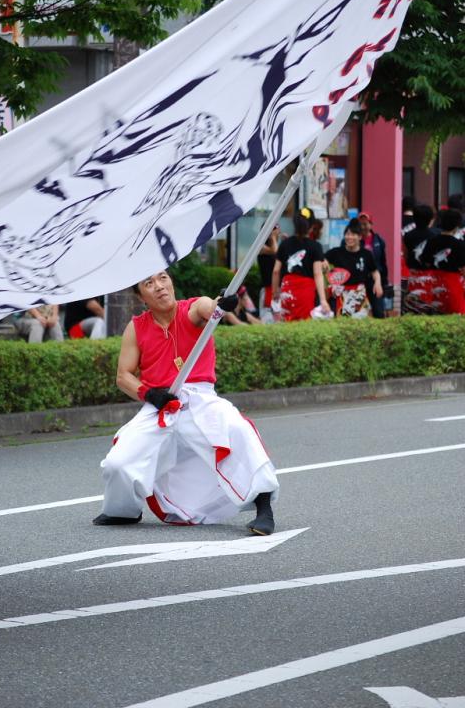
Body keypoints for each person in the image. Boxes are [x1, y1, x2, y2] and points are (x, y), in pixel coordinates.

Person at [93, 270, 279, 535]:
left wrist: (222, 304)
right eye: (149, 283)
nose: (159, 286)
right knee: (118, 462)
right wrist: (150, 394)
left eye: (163, 278)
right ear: (140, 296)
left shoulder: (191, 309)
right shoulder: (136, 328)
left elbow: (208, 307)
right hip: (159, 404)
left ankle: (264, 507)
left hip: (200, 398)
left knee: (237, 429)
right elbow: (123, 376)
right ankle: (123, 510)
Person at [271, 210, 330, 321]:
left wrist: (275, 292)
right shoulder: (316, 246)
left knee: (287, 321)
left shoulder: (285, 244)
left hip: (287, 288)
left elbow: (276, 271)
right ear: (312, 226)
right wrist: (323, 300)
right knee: (304, 323)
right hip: (306, 290)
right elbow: (317, 274)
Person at [325, 218, 383, 318]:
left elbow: (375, 271)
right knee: (342, 323)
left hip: (359, 294)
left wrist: (378, 283)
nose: (349, 237)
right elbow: (322, 261)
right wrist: (330, 281)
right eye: (347, 234)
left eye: (353, 234)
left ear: (360, 237)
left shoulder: (366, 254)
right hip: (341, 294)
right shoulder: (336, 252)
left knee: (362, 323)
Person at [419, 208, 465, 314]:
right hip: (453, 283)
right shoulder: (460, 244)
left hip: (433, 283)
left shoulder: (431, 241)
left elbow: (424, 261)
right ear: (457, 226)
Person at [402, 204, 438, 314]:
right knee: (429, 307)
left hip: (413, 274)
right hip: (430, 276)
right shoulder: (434, 236)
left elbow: (406, 255)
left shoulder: (408, 235)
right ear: (430, 219)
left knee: (413, 307)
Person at [358, 212, 388, 318]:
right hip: (359, 280)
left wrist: (384, 282)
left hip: (375, 281)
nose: (363, 227)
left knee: (378, 311)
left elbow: (383, 262)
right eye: (360, 224)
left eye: (365, 224)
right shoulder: (354, 240)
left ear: (371, 224)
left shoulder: (378, 240)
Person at [257, 225, 281, 323]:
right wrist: (273, 237)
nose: (278, 234)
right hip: (267, 289)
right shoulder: (260, 246)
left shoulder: (275, 246)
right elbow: (275, 252)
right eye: (275, 231)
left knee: (278, 319)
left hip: (276, 289)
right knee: (267, 319)